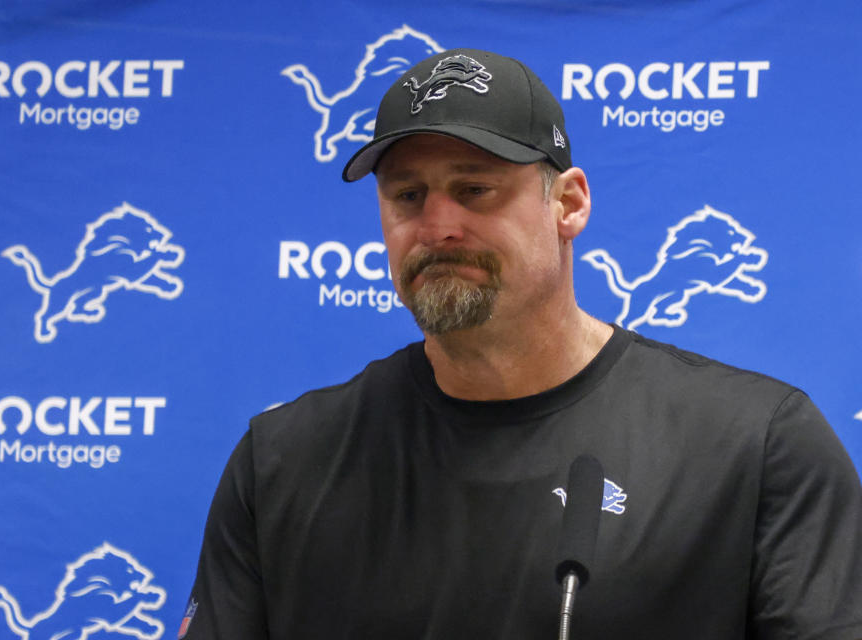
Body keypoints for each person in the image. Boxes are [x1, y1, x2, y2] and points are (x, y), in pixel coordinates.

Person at [180, 48, 862, 639]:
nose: (438, 225)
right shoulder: (282, 462)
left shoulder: (755, 444)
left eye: (475, 190)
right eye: (407, 196)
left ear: (568, 204)